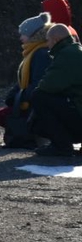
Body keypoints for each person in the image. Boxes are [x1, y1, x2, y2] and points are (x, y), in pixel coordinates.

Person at [0, 13, 52, 148]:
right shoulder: (34, 51)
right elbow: (23, 79)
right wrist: (14, 95)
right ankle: (35, 133)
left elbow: (38, 82)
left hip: (36, 101)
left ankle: (36, 133)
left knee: (2, 115)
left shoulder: (41, 53)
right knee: (5, 113)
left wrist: (19, 99)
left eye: (23, 34)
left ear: (32, 35)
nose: (21, 38)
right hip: (33, 97)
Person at [29, 24, 82, 156]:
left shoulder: (67, 55)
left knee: (38, 96)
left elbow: (46, 86)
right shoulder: (76, 51)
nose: (47, 44)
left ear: (56, 40)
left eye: (48, 40)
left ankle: (61, 146)